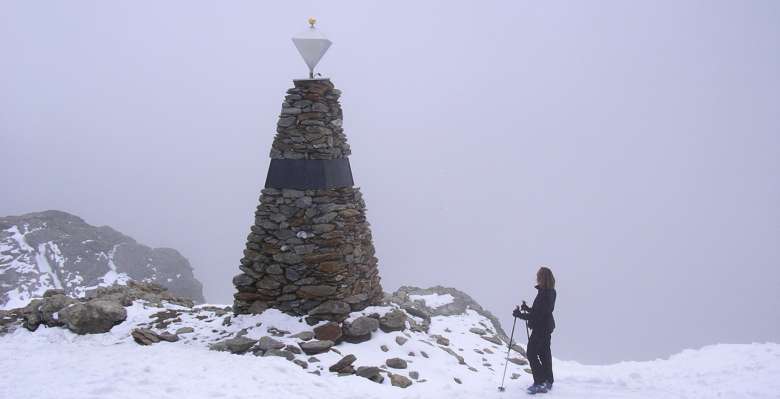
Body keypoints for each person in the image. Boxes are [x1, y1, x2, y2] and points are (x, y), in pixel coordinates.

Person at [513, 266, 556, 395]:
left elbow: (537, 316)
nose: (537, 278)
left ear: (543, 278)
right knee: (544, 354)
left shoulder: (544, 294)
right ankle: (548, 379)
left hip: (540, 329)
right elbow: (540, 312)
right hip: (546, 327)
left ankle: (540, 381)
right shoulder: (550, 292)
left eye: (539, 276)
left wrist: (519, 314)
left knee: (531, 353)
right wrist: (527, 308)